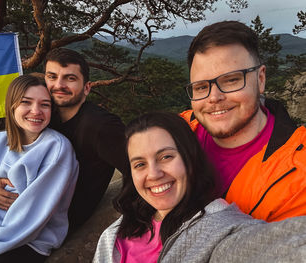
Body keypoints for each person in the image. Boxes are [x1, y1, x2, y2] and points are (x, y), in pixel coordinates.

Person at [93, 112, 306, 263]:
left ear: (189, 159)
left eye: (166, 156)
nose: (154, 174)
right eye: (140, 164)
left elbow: (265, 246)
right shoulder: (123, 227)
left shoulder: (217, 227)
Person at [0, 48, 128, 232]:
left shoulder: (100, 125)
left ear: (87, 88)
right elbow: (12, 154)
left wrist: (128, 217)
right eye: (52, 77)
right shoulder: (42, 117)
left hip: (52, 223)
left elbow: (136, 168)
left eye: (70, 78)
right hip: (18, 210)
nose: (58, 85)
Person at [180, 20, 306, 222]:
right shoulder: (178, 132)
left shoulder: (298, 175)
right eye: (202, 87)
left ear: (261, 79)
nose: (214, 98)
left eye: (231, 80)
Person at [0, 75, 78, 262]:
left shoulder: (56, 148)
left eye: (45, 105)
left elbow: (33, 213)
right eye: (26, 102)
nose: (36, 111)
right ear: (11, 105)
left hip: (26, 240)